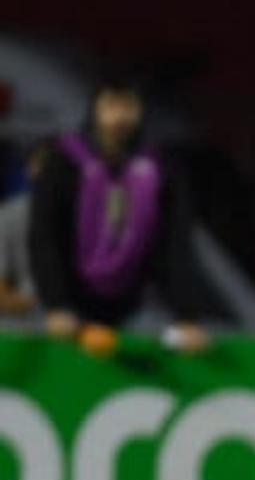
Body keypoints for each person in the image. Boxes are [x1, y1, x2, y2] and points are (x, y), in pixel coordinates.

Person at [28, 78, 210, 351]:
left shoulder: (160, 169)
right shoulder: (62, 162)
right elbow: (44, 237)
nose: (119, 117)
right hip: (70, 312)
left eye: (128, 107)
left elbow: (175, 245)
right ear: (95, 110)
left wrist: (186, 315)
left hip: (136, 309)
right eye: (111, 106)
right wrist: (56, 305)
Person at [0, 140, 47, 319]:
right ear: (31, 169)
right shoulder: (7, 216)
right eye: (44, 165)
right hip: (26, 322)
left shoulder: (92, 216)